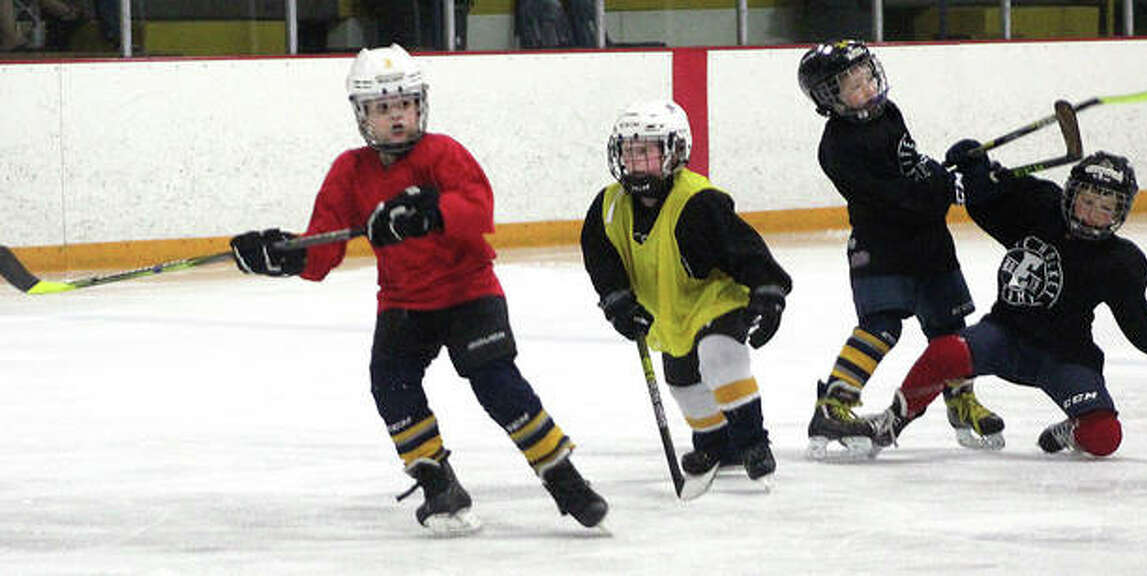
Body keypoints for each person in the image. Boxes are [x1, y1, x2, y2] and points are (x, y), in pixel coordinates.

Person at [229, 44, 607, 534]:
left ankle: (565, 479)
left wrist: (430, 211)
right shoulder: (350, 170)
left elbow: (478, 210)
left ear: (420, 104)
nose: (397, 117)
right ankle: (438, 484)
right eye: (383, 108)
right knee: (390, 383)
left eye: (405, 104)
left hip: (469, 292)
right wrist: (281, 255)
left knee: (495, 382)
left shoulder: (443, 153)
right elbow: (322, 252)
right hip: (404, 302)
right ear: (363, 114)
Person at [868, 149, 1147, 456]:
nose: (1092, 214)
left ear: (1120, 213)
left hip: (1064, 358)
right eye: (1087, 201)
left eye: (1105, 208)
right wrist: (978, 172)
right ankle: (893, 420)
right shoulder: (1039, 207)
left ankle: (1072, 430)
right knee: (946, 352)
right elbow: (987, 207)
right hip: (1003, 336)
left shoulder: (1120, 261)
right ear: (1071, 195)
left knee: (1104, 437)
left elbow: (1141, 323)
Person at [796, 39, 1005, 460]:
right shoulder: (838, 147)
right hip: (882, 243)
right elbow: (895, 197)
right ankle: (833, 405)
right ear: (829, 99)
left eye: (868, 77)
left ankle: (961, 400)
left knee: (949, 328)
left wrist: (949, 171)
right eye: (854, 86)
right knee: (881, 326)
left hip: (928, 241)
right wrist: (948, 191)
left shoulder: (888, 113)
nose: (868, 88)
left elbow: (911, 165)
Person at [580, 100, 792, 493]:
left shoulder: (698, 201)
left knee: (719, 356)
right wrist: (617, 301)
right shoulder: (608, 207)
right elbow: (601, 259)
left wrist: (768, 288)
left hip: (715, 298)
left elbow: (742, 247)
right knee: (682, 383)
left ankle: (752, 442)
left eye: (645, 150)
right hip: (668, 311)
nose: (635, 160)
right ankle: (717, 445)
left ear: (674, 151)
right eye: (629, 151)